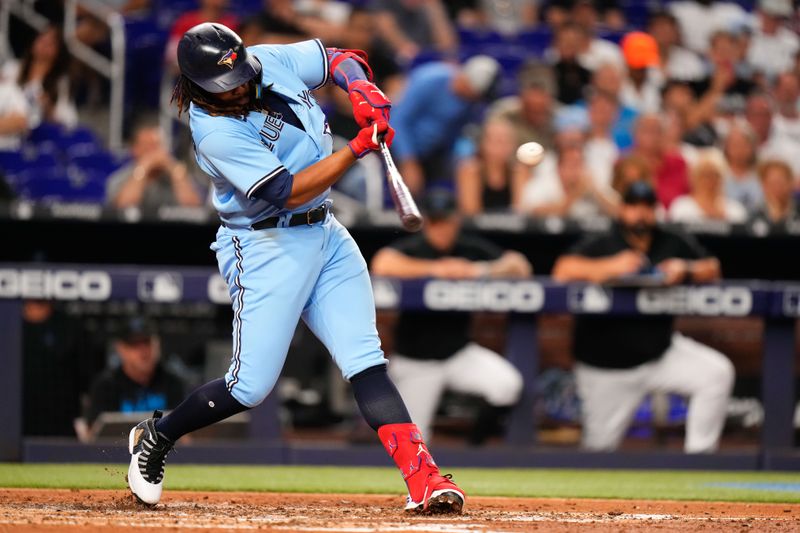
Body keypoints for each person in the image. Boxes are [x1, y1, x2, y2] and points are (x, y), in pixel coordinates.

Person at [125, 23, 466, 514]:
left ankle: (424, 478)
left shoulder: (267, 61)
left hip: (324, 233)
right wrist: (357, 148)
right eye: (227, 84)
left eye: (240, 76)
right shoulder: (214, 131)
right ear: (197, 85)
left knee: (365, 358)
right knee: (250, 387)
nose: (239, 87)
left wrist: (362, 89)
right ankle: (159, 434)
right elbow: (285, 191)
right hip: (266, 246)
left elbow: (341, 57)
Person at [552, 180, 735, 453]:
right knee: (597, 453)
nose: (640, 214)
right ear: (622, 210)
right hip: (607, 367)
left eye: (647, 207)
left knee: (716, 374)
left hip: (660, 354)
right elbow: (562, 269)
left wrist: (685, 269)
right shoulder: (605, 241)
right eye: (633, 207)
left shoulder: (670, 239)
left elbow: (713, 267)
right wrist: (612, 266)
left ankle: (698, 463)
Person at [370, 189, 529, 443]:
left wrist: (477, 270)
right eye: (435, 222)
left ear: (456, 221)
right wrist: (437, 269)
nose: (441, 229)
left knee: (506, 385)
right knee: (414, 441)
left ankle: (473, 449)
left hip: (458, 353)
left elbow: (519, 265)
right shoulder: (415, 247)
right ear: (425, 223)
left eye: (446, 221)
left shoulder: (468, 247)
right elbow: (382, 263)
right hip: (416, 360)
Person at [391, 55, 500, 194]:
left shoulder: (470, 103)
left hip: (436, 155)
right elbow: (398, 120)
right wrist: (408, 161)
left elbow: (461, 133)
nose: (477, 99)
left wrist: (465, 157)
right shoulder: (430, 79)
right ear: (467, 81)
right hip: (399, 149)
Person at [84, 318, 187, 429]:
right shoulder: (106, 386)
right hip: (119, 446)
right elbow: (93, 435)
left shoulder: (173, 383)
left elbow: (185, 432)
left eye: (147, 342)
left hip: (164, 446)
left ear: (157, 344)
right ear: (120, 348)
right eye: (134, 345)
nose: (143, 351)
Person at [105, 124, 204, 210]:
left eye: (157, 146)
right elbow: (124, 208)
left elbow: (193, 208)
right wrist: (144, 168)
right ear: (135, 150)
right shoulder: (119, 179)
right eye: (148, 146)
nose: (154, 153)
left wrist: (173, 168)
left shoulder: (177, 177)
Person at [2, 25, 78, 129]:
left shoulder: (60, 82)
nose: (43, 45)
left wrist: (48, 109)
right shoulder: (12, 68)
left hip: (37, 134)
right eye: (41, 40)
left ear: (58, 51)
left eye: (50, 43)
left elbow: (68, 121)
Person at [455, 117, 525, 214]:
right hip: (475, 228)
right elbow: (470, 211)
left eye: (506, 141)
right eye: (497, 141)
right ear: (482, 144)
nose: (502, 147)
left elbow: (520, 209)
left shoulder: (519, 171)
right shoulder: (469, 170)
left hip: (512, 227)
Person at [487, 61, 556, 151]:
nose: (536, 115)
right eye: (531, 110)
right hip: (511, 162)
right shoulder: (503, 113)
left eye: (540, 111)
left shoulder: (559, 116)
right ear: (522, 100)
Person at [630, 113, 689, 210]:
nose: (650, 134)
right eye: (645, 129)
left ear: (663, 135)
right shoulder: (623, 163)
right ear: (635, 134)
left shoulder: (678, 163)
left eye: (655, 130)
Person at [669, 156, 748, 224]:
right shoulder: (682, 207)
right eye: (706, 175)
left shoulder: (736, 211)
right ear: (694, 178)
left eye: (716, 175)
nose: (711, 180)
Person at [747, 0, 799, 81]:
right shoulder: (747, 32)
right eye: (769, 15)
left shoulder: (792, 42)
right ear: (761, 12)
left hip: (779, 86)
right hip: (749, 82)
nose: (772, 21)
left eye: (777, 18)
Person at [722, 123, 763, 211]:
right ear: (726, 147)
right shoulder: (718, 173)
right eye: (735, 145)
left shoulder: (762, 174)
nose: (739, 150)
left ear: (753, 147)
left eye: (744, 144)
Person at [752, 159, 799, 224]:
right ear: (763, 185)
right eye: (772, 183)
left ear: (790, 183)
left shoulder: (798, 210)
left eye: (780, 182)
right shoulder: (754, 214)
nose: (777, 188)